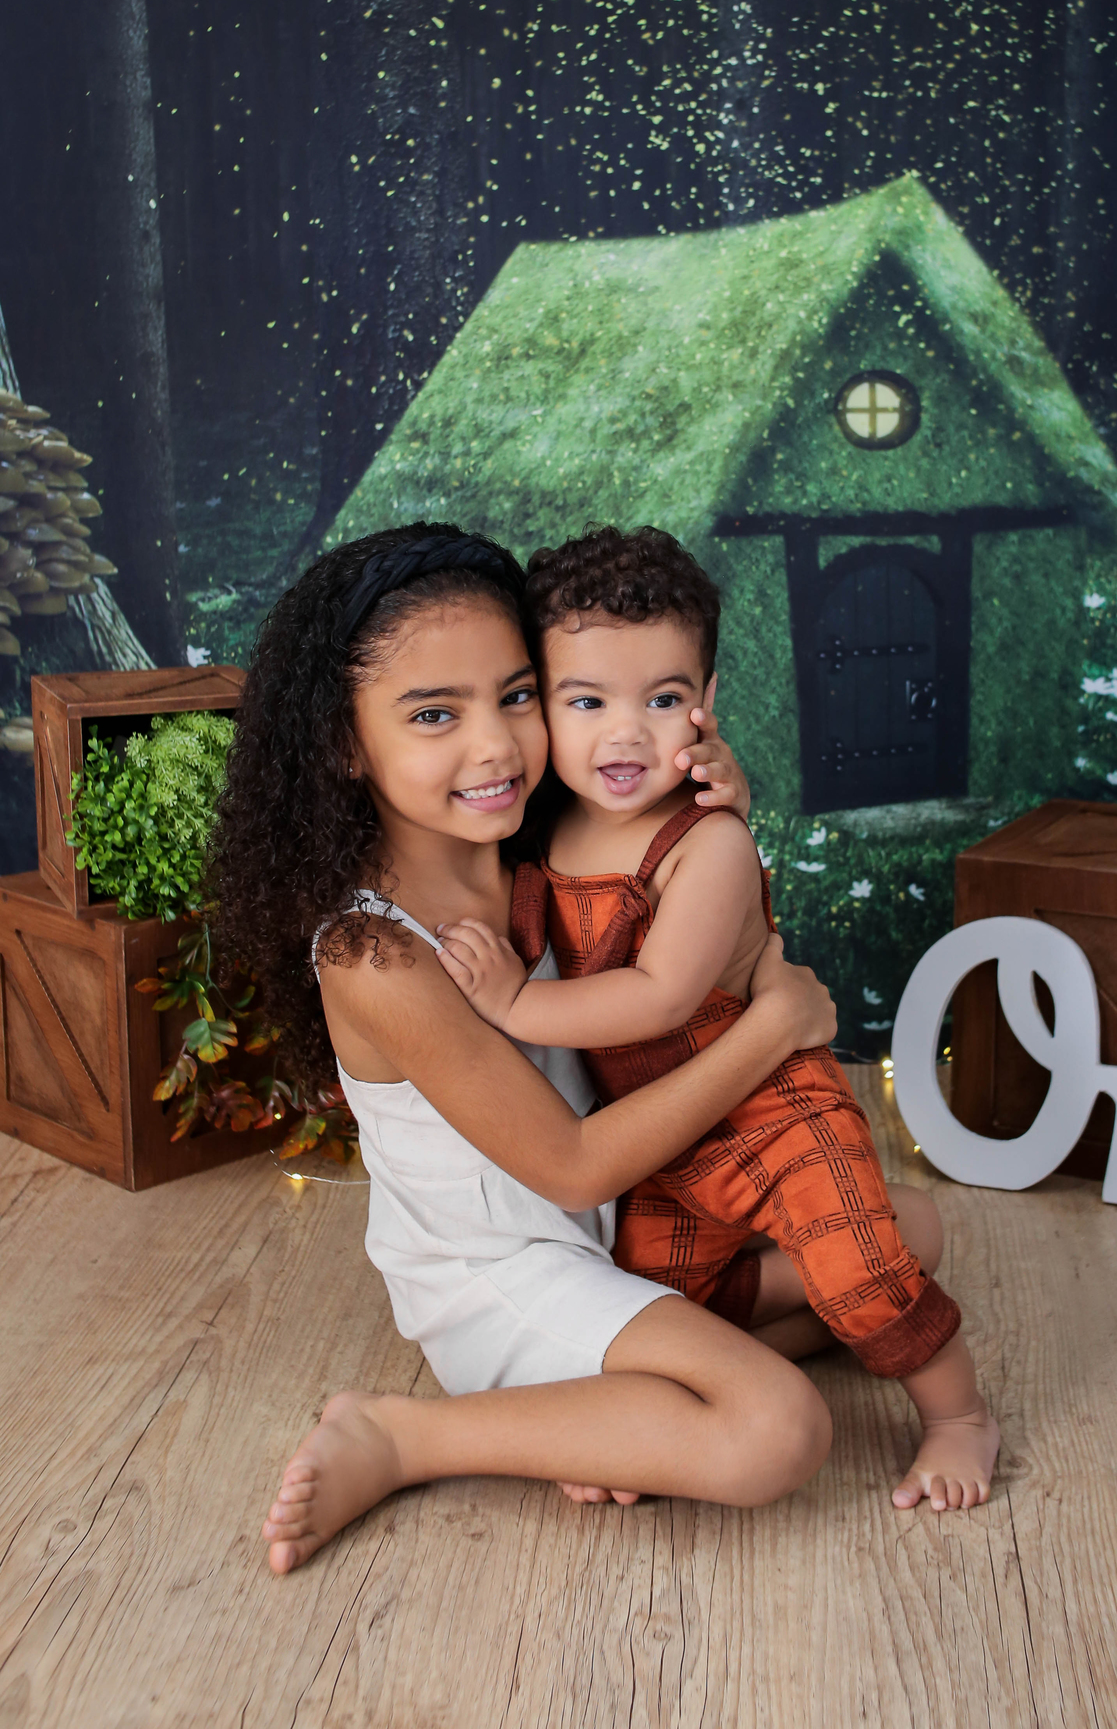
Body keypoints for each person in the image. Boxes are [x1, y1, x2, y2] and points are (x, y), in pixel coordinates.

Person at [213, 523, 848, 1576]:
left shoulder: (536, 845)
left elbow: (699, 901)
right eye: (434, 714)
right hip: (503, 1274)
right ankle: (406, 1437)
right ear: (342, 740)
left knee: (906, 1242)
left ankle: (601, 1425)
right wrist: (776, 1028)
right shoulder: (373, 954)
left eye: (517, 697)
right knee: (779, 1430)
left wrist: (716, 797)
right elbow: (574, 1165)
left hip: (615, 1231)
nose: (497, 747)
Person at [436, 524, 1000, 1512]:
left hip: (771, 1110)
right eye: (587, 701)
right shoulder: (546, 821)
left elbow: (661, 995)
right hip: (662, 1141)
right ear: (542, 707)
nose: (625, 734)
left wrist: (515, 1001)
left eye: (661, 701)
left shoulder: (709, 844)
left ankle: (959, 1417)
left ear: (707, 701)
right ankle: (652, 1420)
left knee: (861, 1268)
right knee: (654, 1305)